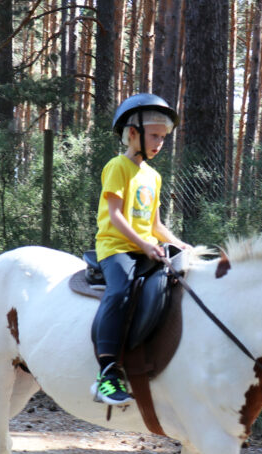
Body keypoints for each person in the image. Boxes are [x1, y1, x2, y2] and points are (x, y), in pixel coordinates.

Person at [91, 93, 190, 405]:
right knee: (120, 291)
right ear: (133, 133)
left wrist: (180, 244)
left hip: (146, 249)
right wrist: (145, 244)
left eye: (163, 137)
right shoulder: (117, 167)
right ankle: (107, 374)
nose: (160, 143)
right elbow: (115, 216)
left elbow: (156, 225)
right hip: (116, 248)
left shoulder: (153, 176)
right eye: (155, 136)